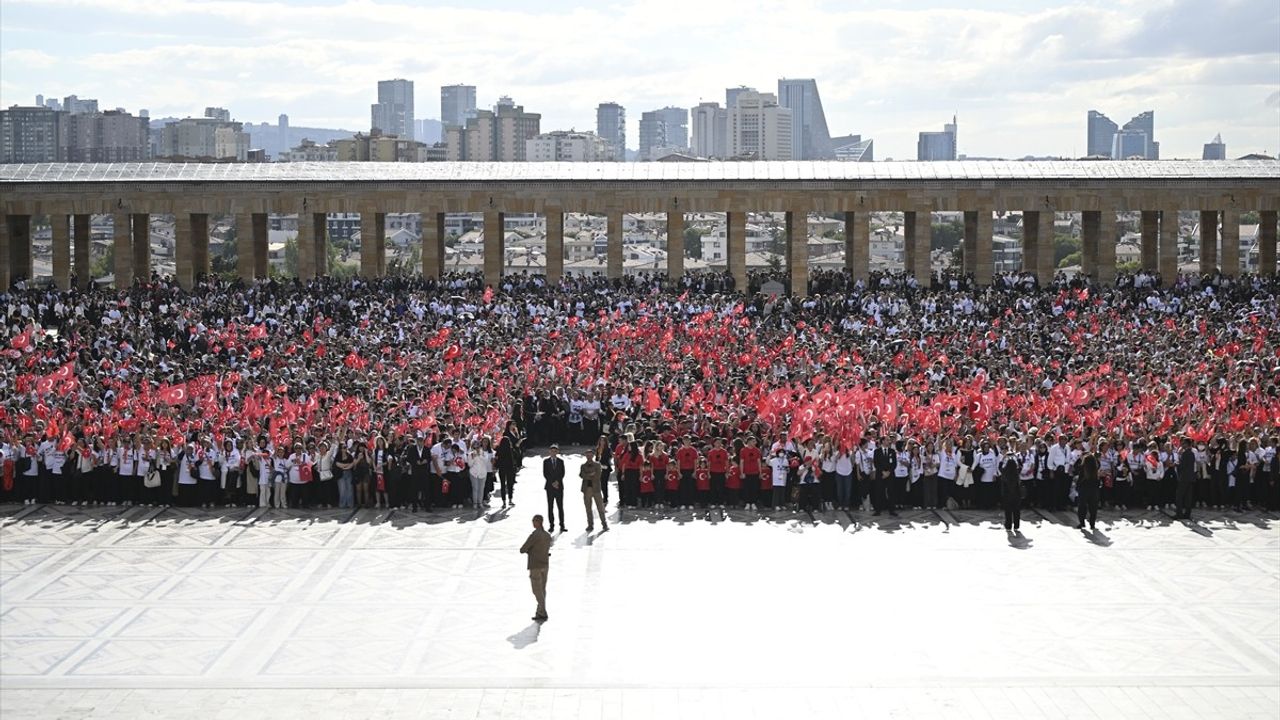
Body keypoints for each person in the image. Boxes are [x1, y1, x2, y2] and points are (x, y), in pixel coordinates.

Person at [519, 514, 553, 622]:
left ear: (538, 522)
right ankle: (539, 611)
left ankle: (542, 611)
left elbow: (523, 549)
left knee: (536, 590)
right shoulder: (547, 535)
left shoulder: (535, 535)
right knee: (542, 589)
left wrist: (529, 551)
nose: (533, 523)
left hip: (535, 565)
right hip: (545, 564)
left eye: (534, 521)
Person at [580, 449, 608, 531]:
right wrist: (590, 474)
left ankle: (604, 524)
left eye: (590, 455)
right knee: (588, 508)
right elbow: (582, 475)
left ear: (593, 455)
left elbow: (598, 476)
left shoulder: (597, 464)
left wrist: (587, 475)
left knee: (600, 507)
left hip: (596, 489)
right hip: (586, 489)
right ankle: (590, 525)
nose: (589, 456)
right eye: (587, 455)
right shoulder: (583, 466)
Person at [1076, 443, 1101, 531]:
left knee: (1082, 507)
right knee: (1093, 508)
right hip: (1094, 490)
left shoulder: (1082, 467)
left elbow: (1076, 467)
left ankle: (1082, 522)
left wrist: (1081, 458)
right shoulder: (1095, 468)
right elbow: (1098, 463)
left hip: (1083, 490)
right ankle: (1092, 524)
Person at [998, 443, 1022, 533]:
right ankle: (1016, 525)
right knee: (1016, 511)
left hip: (1007, 495)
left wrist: (1004, 457)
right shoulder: (1017, 473)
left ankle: (1008, 526)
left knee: (1008, 511)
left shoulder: (1004, 473)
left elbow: (1000, 466)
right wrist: (1016, 456)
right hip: (1016, 495)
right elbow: (1020, 465)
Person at [543, 444, 566, 532]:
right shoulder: (546, 461)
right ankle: (551, 525)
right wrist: (552, 482)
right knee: (550, 506)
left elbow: (562, 473)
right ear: (549, 451)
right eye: (552, 451)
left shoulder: (561, 461)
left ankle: (562, 525)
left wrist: (557, 482)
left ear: (557, 452)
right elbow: (545, 474)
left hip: (559, 486)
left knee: (560, 506)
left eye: (555, 451)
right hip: (549, 486)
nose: (553, 452)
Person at [1175, 436, 1197, 520]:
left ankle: (1179, 514)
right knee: (1188, 496)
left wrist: (1177, 464)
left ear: (1186, 444)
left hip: (1184, 477)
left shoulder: (1185, 453)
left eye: (1183, 443)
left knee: (1179, 496)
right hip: (1190, 477)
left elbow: (1182, 466)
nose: (1181, 444)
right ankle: (1187, 514)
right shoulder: (1191, 453)